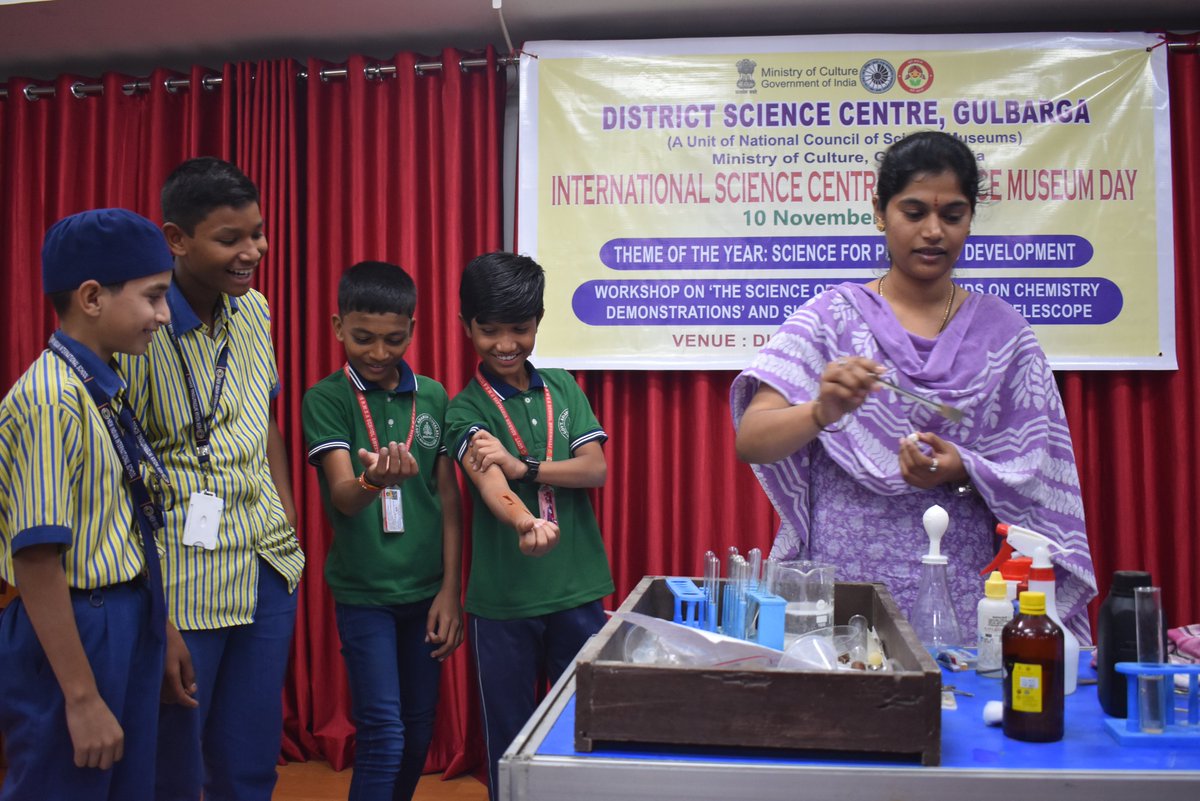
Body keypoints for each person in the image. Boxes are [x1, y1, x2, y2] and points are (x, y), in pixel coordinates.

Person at [732, 131, 1096, 642]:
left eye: (952, 215)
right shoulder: (831, 319)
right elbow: (752, 440)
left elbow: (1038, 472)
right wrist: (821, 411)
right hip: (845, 588)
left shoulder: (1005, 334)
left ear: (970, 219)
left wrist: (963, 468)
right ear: (880, 212)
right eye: (914, 212)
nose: (933, 231)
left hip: (961, 592)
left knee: (954, 690)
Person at [118, 157, 305, 801]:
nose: (252, 251)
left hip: (266, 562)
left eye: (258, 232)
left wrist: (285, 510)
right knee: (173, 763)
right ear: (176, 239)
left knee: (249, 763)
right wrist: (155, 612)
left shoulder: (255, 311)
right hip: (183, 578)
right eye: (231, 239)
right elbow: (119, 473)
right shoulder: (138, 326)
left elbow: (263, 417)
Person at [0, 209, 174, 800]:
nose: (164, 315)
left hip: (124, 613)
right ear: (93, 297)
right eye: (153, 297)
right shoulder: (51, 400)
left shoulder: (100, 387)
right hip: (77, 626)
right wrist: (80, 697)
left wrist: (158, 625)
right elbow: (36, 558)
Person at [445, 252, 614, 801]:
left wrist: (526, 468)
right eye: (489, 330)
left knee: (580, 733)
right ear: (466, 325)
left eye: (519, 328)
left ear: (538, 321)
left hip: (578, 588)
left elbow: (595, 469)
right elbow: (487, 479)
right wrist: (523, 519)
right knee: (510, 744)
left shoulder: (563, 387)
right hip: (503, 602)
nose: (505, 344)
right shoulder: (464, 409)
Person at [301, 261, 463, 801]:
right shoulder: (326, 398)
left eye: (393, 339)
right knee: (384, 736)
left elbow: (448, 500)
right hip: (365, 595)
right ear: (337, 327)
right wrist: (373, 480)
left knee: (418, 732)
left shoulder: (433, 397)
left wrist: (450, 592)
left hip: (427, 595)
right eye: (363, 337)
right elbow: (343, 497)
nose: (377, 352)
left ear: (412, 330)